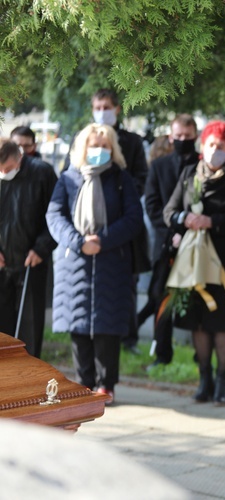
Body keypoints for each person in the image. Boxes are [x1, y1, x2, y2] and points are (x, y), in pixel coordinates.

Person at [46, 124, 144, 403]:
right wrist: (79, 242)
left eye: (104, 145)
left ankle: (106, 384)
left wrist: (102, 240)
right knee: (78, 327)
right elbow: (55, 216)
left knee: (107, 327)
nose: (99, 150)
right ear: (82, 147)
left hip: (112, 261)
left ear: (112, 149)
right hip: (74, 262)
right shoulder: (68, 179)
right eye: (94, 145)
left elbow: (133, 218)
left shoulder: (121, 179)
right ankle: (83, 382)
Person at [164, 121, 225, 405]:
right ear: (202, 146)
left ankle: (222, 379)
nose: (214, 150)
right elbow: (169, 211)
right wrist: (184, 220)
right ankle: (203, 377)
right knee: (200, 322)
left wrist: (212, 221)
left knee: (224, 322)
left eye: (221, 146)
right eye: (210, 144)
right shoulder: (190, 174)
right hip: (195, 263)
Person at [141, 116, 201, 369]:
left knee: (199, 299)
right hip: (166, 245)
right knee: (161, 298)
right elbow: (153, 206)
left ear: (196, 136)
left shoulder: (202, 164)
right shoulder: (159, 166)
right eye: (178, 137)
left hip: (198, 244)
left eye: (188, 137)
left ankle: (202, 356)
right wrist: (172, 232)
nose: (183, 141)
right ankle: (162, 353)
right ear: (170, 137)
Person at [0, 139, 58, 357]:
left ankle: (30, 381)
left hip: (31, 262)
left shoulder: (42, 173)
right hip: (3, 265)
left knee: (29, 330)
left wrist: (41, 249)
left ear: (19, 158)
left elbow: (56, 217)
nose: (3, 173)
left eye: (6, 168)